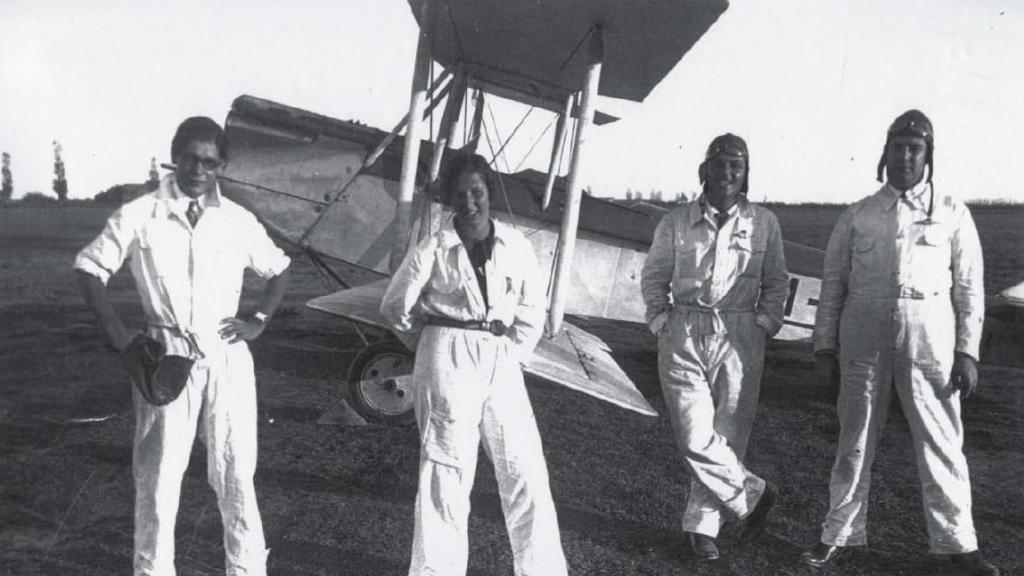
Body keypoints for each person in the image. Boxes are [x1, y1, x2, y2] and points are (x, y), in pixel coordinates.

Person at [74, 116, 290, 576]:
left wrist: (258, 319)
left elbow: (279, 269)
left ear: (222, 166)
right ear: (176, 156)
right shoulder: (138, 214)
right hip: (165, 356)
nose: (199, 170)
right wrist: (119, 336)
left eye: (210, 162)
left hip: (226, 354)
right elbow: (89, 269)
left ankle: (247, 569)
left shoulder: (237, 219)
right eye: (191, 158)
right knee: (158, 478)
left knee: (235, 472)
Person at [800, 110, 998, 575]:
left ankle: (956, 546)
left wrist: (967, 351)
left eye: (915, 148)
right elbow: (832, 287)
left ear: (928, 156)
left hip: (930, 340)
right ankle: (839, 536)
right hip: (862, 338)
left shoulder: (952, 212)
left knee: (942, 440)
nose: (905, 156)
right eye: (897, 146)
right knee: (855, 436)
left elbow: (970, 288)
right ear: (884, 152)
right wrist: (824, 348)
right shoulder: (858, 216)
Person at [380, 153, 567, 576]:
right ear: (448, 200)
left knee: (524, 468)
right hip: (446, 358)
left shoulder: (516, 245)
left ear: (489, 194)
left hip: (501, 358)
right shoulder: (432, 248)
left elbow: (531, 310)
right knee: (446, 472)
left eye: (477, 192)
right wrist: (431, 342)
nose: (469, 203)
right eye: (460, 195)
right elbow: (395, 307)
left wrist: (509, 354)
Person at [641, 134, 789, 561]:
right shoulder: (675, 222)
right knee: (693, 434)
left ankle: (702, 529)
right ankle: (754, 495)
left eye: (736, 166)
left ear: (745, 175)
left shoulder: (764, 223)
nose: (727, 173)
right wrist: (661, 321)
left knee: (728, 434)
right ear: (703, 170)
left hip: (741, 334)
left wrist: (763, 325)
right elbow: (654, 278)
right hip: (684, 330)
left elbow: (777, 282)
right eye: (719, 164)